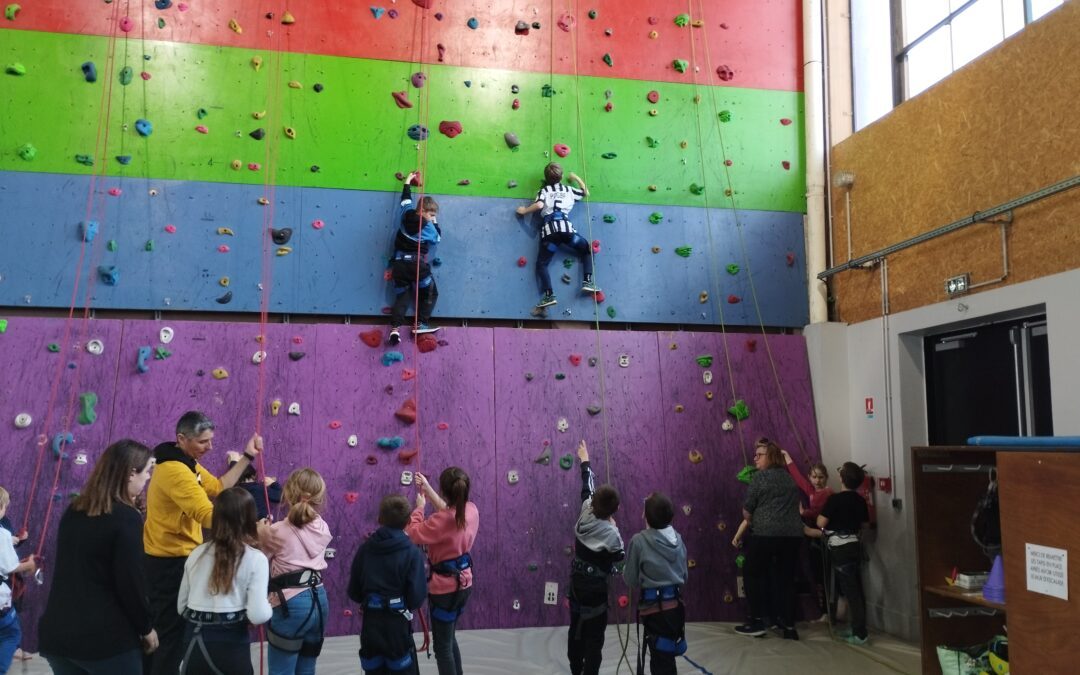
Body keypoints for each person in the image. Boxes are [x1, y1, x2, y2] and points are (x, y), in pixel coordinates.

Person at [143, 411, 263, 675]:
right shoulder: (175, 471)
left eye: (210, 440)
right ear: (182, 439)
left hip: (177, 558)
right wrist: (253, 527)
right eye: (202, 442)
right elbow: (208, 515)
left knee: (172, 634)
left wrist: (248, 456)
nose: (210, 447)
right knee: (169, 638)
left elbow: (220, 487)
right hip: (169, 562)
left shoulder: (186, 462)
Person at [38, 440, 158, 674]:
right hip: (104, 640)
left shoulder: (74, 510)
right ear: (131, 473)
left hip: (58, 634)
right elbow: (130, 581)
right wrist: (146, 627)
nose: (147, 480)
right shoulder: (126, 517)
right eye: (147, 473)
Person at [177, 487, 272, 675]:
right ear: (249, 519)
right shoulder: (255, 558)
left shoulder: (196, 553)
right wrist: (269, 605)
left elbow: (182, 607)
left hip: (194, 645)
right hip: (231, 648)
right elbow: (259, 615)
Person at [258, 468, 333, 675]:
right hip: (319, 601)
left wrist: (260, 534)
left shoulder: (276, 531)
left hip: (291, 604)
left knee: (282, 671)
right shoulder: (323, 527)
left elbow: (257, 562)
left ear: (289, 495)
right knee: (307, 669)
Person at [405, 468, 478, 675]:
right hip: (464, 584)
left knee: (442, 647)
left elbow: (413, 533)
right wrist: (427, 489)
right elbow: (449, 511)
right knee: (449, 637)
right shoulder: (471, 510)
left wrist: (419, 508)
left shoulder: (442, 521)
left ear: (445, 490)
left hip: (444, 590)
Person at [347, 495, 427, 675]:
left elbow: (354, 591)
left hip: (371, 627)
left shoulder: (365, 549)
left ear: (379, 519)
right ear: (408, 521)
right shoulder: (412, 553)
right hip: (397, 628)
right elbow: (416, 598)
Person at [734, 438, 804, 640]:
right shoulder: (790, 479)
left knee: (751, 571)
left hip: (766, 534)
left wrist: (753, 516)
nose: (755, 458)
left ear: (771, 457)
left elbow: (747, 512)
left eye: (759, 455)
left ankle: (757, 621)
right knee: (786, 579)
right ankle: (789, 626)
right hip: (792, 536)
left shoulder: (759, 478)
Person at [567, 440, 624, 675]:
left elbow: (587, 486)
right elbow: (619, 561)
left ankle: (575, 668)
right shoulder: (612, 534)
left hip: (577, 587)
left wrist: (585, 459)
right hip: (596, 594)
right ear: (615, 511)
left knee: (575, 630)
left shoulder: (585, 510)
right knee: (594, 639)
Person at [515, 162, 600, 310]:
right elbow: (585, 192)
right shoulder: (567, 189)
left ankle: (549, 294)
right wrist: (575, 177)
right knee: (586, 249)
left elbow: (540, 206)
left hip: (550, 234)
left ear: (546, 178)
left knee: (542, 264)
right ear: (561, 177)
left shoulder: (544, 190)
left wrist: (524, 211)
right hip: (567, 230)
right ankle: (587, 282)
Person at [624, 492, 687, 675]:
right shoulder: (679, 539)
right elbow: (684, 576)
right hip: (676, 609)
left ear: (646, 515)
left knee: (661, 660)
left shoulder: (639, 541)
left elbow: (631, 579)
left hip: (655, 612)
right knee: (665, 656)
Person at [817, 462, 871, 645]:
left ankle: (860, 634)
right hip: (855, 546)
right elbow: (864, 525)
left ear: (841, 478)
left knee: (851, 591)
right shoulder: (860, 500)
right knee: (856, 588)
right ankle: (858, 628)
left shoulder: (835, 500)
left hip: (841, 548)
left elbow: (820, 522)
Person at [388, 171, 442, 344]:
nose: (432, 217)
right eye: (431, 214)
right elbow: (437, 239)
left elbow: (405, 200)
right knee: (430, 292)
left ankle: (395, 329)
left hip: (399, 265)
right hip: (416, 265)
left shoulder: (406, 215)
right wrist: (434, 222)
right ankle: (421, 323)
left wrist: (408, 181)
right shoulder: (427, 226)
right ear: (424, 211)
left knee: (402, 296)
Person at [782, 450, 833, 619]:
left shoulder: (828, 493)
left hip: (824, 536)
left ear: (826, 478)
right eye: (814, 477)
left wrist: (805, 513)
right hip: (813, 537)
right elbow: (798, 478)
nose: (817, 481)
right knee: (817, 574)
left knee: (825, 575)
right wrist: (787, 456)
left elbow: (820, 511)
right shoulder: (811, 490)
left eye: (820, 477)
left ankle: (829, 611)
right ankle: (824, 611)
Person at [0, 488, 37, 674]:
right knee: (10, 633)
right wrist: (29, 565)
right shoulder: (2, 533)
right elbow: (10, 567)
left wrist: (16, 540)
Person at [228, 451, 282, 521]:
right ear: (254, 476)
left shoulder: (234, 490)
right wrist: (273, 483)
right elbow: (279, 496)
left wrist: (233, 462)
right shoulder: (259, 488)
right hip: (261, 523)